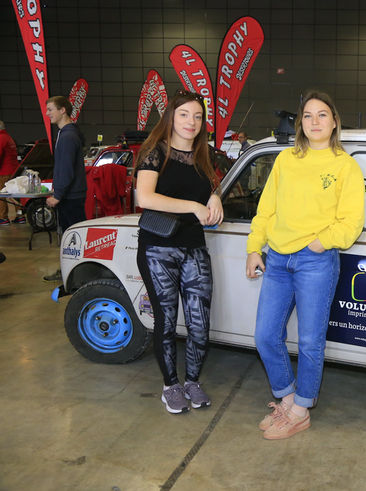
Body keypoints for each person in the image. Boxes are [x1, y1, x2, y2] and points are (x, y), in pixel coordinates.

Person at [246, 91, 365, 440]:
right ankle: (287, 399)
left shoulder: (345, 165)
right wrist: (255, 248)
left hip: (316, 261)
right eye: (308, 116)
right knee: (266, 336)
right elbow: (266, 208)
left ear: (334, 122)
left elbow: (351, 220)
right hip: (278, 259)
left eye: (322, 115)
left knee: (311, 341)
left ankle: (301, 410)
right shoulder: (285, 160)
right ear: (301, 123)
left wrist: (320, 241)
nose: (315, 121)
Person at [134, 90, 223, 414]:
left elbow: (208, 186)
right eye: (184, 114)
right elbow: (145, 197)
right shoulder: (155, 152)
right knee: (167, 322)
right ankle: (171, 385)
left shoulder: (204, 154)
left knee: (200, 323)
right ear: (171, 116)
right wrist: (194, 206)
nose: (191, 122)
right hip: (158, 248)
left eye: (198, 116)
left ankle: (193, 382)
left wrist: (214, 198)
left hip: (194, 247)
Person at [43, 96, 88, 281]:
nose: (47, 114)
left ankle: (76, 273)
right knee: (72, 236)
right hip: (71, 195)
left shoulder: (68, 136)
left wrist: (58, 195)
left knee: (73, 238)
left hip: (71, 196)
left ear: (63, 110)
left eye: (51, 109)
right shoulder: (66, 132)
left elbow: (66, 169)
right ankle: (71, 271)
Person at [0, 120, 19, 226]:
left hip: (3, 172)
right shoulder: (8, 137)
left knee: (1, 195)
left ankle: (2, 217)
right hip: (13, 169)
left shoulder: (1, 138)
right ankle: (20, 216)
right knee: (15, 194)